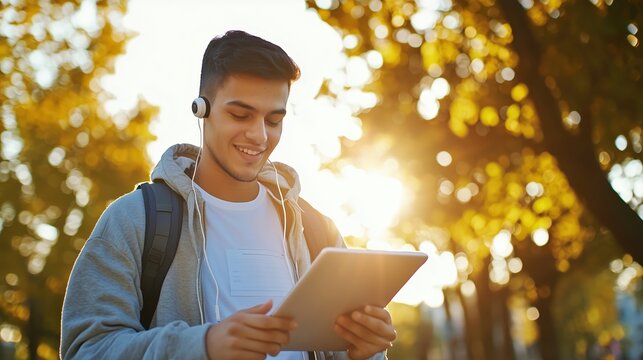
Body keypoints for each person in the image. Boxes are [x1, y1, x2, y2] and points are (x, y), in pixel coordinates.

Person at [60, 30, 396, 360]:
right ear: (201, 109)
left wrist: (364, 353)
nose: (259, 135)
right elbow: (86, 350)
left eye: (274, 120)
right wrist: (203, 346)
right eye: (241, 115)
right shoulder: (134, 220)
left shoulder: (316, 230)